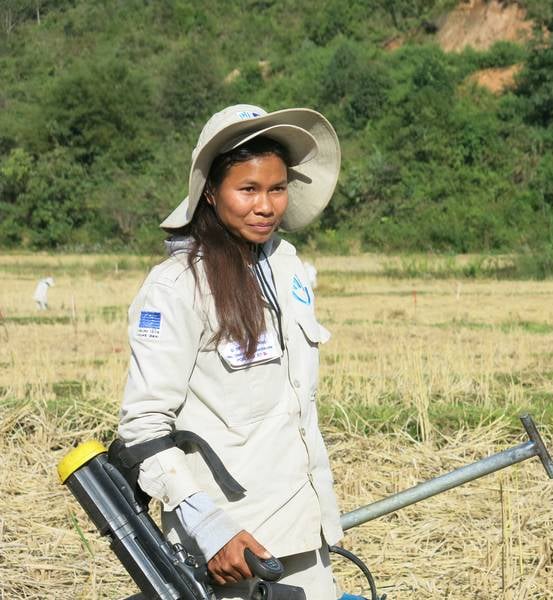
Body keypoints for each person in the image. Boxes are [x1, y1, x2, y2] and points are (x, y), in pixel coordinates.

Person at [117, 104, 343, 599]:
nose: (266, 206)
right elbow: (143, 428)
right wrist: (211, 528)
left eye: (277, 188)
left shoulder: (288, 268)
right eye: (248, 189)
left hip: (304, 526)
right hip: (231, 548)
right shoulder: (176, 286)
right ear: (211, 193)